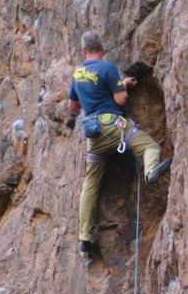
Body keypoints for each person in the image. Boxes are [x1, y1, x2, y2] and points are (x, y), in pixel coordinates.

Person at [68, 31, 172, 258]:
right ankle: (151, 171)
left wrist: (96, 97)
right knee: (150, 147)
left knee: (91, 183)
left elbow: (73, 107)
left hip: (94, 134)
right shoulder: (107, 68)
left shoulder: (78, 73)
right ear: (102, 48)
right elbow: (120, 100)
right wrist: (123, 86)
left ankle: (84, 237)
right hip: (115, 127)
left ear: (84, 51)